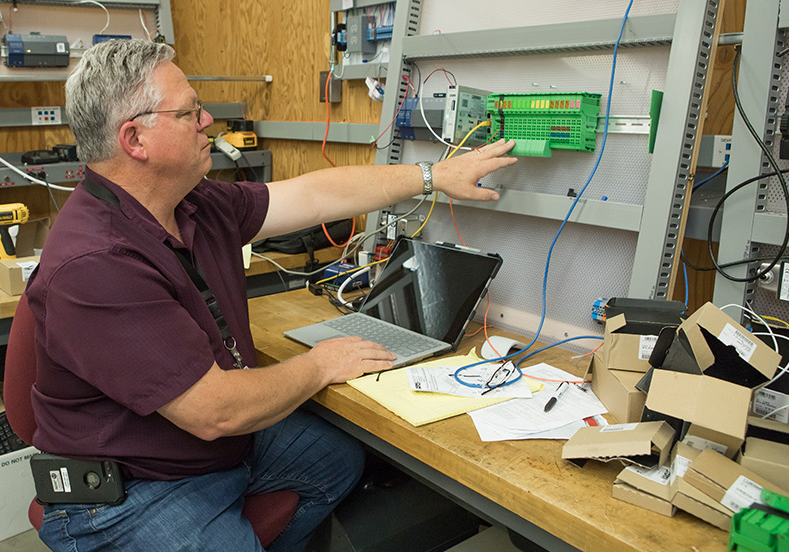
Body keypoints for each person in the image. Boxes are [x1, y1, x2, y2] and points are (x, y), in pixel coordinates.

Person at [25, 38, 517, 552]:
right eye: (190, 111)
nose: (207, 120)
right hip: (128, 491)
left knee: (335, 459)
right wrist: (320, 365)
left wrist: (433, 174)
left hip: (205, 451)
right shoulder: (97, 263)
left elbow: (312, 195)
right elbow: (215, 411)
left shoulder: (192, 203)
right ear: (136, 139)